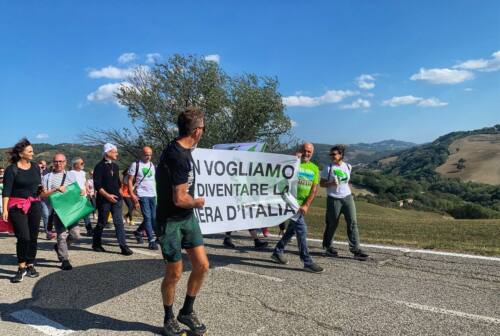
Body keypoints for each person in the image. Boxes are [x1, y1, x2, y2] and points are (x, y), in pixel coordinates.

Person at [156, 106, 209, 336]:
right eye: (203, 128)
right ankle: (168, 318)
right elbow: (179, 198)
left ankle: (186, 311)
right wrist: (197, 202)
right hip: (170, 221)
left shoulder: (185, 149)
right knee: (175, 272)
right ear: (197, 131)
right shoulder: (177, 156)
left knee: (202, 265)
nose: (203, 131)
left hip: (187, 219)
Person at [271, 143, 324, 273]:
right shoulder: (293, 163)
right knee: (302, 230)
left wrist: (306, 204)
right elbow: (280, 176)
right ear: (300, 150)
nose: (306, 153)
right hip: (290, 202)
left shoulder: (315, 168)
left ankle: (277, 252)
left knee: (291, 230)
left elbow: (314, 189)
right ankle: (307, 261)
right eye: (304, 151)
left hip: (301, 205)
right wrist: (292, 160)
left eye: (309, 152)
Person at [2, 138, 42, 283]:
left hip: (35, 204)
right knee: (23, 237)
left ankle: (30, 264)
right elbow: (6, 191)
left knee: (33, 237)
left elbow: (38, 185)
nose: (33, 153)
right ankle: (21, 267)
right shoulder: (11, 169)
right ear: (21, 153)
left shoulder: (36, 167)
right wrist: (4, 210)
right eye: (30, 151)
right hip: (17, 206)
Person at [320, 145, 369, 261]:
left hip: (347, 197)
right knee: (332, 223)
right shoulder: (328, 168)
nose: (332, 156)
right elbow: (321, 184)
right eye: (330, 154)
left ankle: (356, 250)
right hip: (333, 198)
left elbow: (346, 182)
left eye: (334, 154)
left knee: (352, 222)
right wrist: (331, 184)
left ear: (341, 155)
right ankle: (328, 246)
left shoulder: (348, 166)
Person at [41, 153, 81, 270]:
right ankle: (65, 259)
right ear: (53, 163)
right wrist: (55, 189)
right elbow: (43, 195)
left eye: (61, 161)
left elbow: (76, 190)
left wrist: (82, 192)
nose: (58, 164)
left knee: (76, 235)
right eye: (56, 161)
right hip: (56, 210)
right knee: (62, 235)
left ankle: (58, 247)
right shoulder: (47, 177)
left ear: (65, 162)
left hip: (70, 209)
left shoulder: (71, 175)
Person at [92, 143, 133, 256]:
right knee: (102, 222)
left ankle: (123, 246)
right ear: (108, 152)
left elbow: (118, 184)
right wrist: (107, 196)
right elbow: (98, 186)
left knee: (119, 222)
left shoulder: (115, 166)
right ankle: (96, 243)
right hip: (104, 200)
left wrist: (122, 195)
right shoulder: (99, 167)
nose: (117, 153)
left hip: (117, 200)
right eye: (115, 151)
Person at [128, 146, 158, 250]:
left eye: (150, 155)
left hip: (152, 194)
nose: (148, 157)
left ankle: (137, 232)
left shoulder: (152, 165)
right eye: (146, 155)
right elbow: (130, 180)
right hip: (142, 194)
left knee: (153, 217)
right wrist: (132, 194)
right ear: (142, 154)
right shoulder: (135, 165)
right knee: (148, 217)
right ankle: (151, 240)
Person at [70, 157, 93, 237]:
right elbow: (71, 185)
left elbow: (85, 182)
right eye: (81, 163)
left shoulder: (83, 173)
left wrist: (87, 189)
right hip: (76, 197)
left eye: (83, 163)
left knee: (86, 213)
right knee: (76, 214)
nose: (83, 164)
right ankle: (72, 230)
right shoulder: (71, 173)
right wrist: (79, 190)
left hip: (84, 196)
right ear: (76, 164)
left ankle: (89, 230)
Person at [38, 160, 54, 240]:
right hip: (40, 197)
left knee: (49, 215)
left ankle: (49, 231)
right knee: (45, 214)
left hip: (50, 197)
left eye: (44, 165)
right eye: (41, 164)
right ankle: (48, 232)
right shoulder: (35, 172)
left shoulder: (47, 173)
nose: (43, 166)